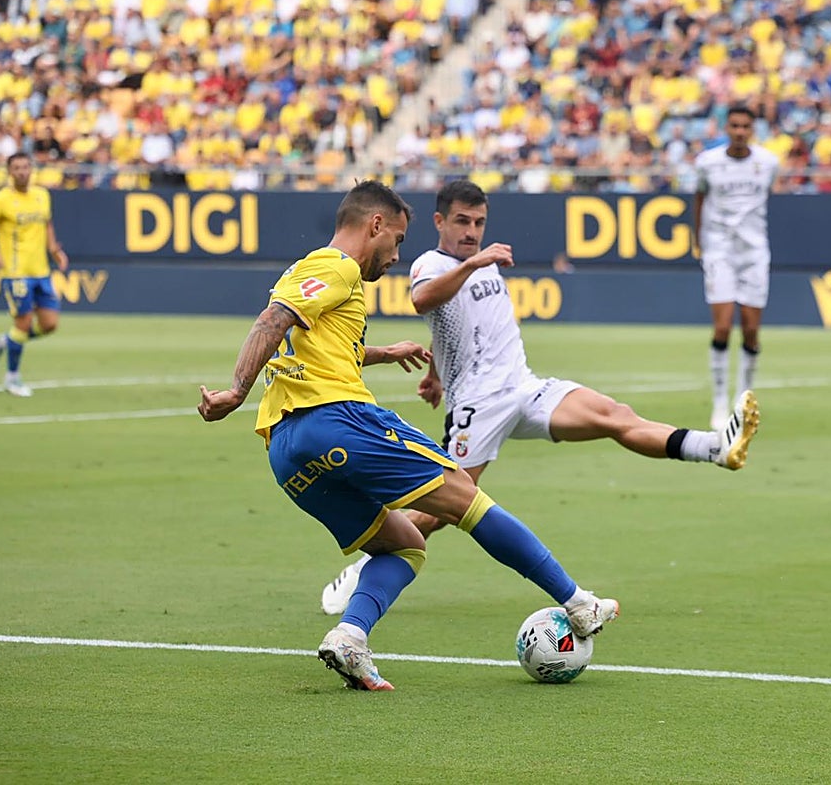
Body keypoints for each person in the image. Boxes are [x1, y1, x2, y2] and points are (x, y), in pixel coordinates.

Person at [197, 180, 619, 691]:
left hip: (287, 451)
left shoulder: (316, 275)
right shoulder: (336, 265)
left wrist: (381, 353)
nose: (396, 255)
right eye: (396, 240)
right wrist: (236, 389)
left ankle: (351, 636)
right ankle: (579, 603)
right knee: (467, 498)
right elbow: (273, 320)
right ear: (374, 225)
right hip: (338, 419)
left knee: (405, 543)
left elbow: (306, 340)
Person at [319, 179, 761, 616]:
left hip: (525, 387)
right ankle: (364, 569)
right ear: (439, 221)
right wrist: (474, 267)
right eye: (461, 221)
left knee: (614, 414)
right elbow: (423, 301)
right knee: (443, 509)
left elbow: (455, 326)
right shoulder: (432, 264)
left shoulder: (479, 261)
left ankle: (715, 448)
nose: (471, 231)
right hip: (479, 405)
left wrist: (434, 374)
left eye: (479, 222)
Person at [692, 105, 779, 430]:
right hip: (720, 252)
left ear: (752, 129)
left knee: (752, 330)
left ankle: (743, 398)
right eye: (735, 126)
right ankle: (718, 401)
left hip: (754, 253)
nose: (740, 131)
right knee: (723, 327)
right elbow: (699, 198)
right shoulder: (708, 163)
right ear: (726, 128)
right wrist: (699, 240)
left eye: (746, 126)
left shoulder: (768, 163)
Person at [0, 152, 69, 397]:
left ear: (31, 169)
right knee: (22, 324)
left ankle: (4, 341)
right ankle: (12, 378)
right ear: (9, 171)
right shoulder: (0, 200)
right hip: (16, 273)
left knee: (49, 324)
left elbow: (47, 224)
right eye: (17, 168)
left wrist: (55, 250)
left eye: (25, 167)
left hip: (41, 271)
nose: (22, 171)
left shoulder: (41, 195)